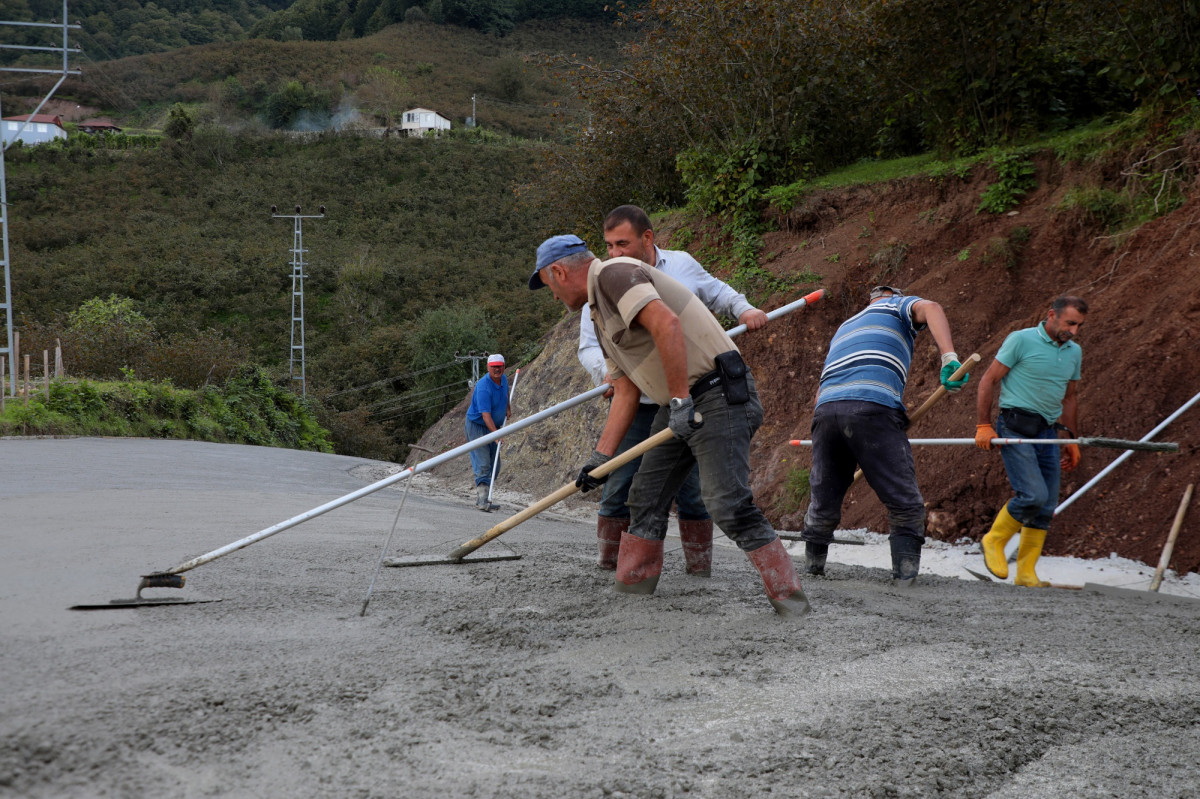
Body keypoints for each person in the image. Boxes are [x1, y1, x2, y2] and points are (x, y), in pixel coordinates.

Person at [530, 234, 809, 617]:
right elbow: (625, 390)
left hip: (716, 393)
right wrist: (601, 458)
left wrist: (680, 400)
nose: (554, 296)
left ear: (558, 272)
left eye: (549, 286)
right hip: (680, 399)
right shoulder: (599, 314)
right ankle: (633, 590)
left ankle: (791, 600)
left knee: (726, 501)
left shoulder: (614, 274)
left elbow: (666, 324)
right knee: (646, 495)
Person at [577, 206, 769, 576]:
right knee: (622, 484)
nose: (614, 253)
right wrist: (607, 373)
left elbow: (715, 293)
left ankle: (699, 572)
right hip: (637, 403)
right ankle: (611, 567)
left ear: (647, 239)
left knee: (694, 491)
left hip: (689, 397)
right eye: (609, 245)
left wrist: (744, 310)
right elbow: (590, 345)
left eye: (622, 244)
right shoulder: (602, 283)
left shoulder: (680, 266)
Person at [797, 286, 969, 587]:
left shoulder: (846, 326)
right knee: (904, 502)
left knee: (824, 497)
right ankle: (904, 578)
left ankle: (812, 569)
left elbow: (823, 385)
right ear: (892, 295)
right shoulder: (896, 306)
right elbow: (933, 308)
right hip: (871, 407)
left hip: (826, 412)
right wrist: (949, 358)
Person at [975, 296, 1086, 587]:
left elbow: (1069, 396)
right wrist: (984, 425)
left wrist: (1070, 439)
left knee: (1046, 505)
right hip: (1015, 426)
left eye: (1079, 326)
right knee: (1032, 495)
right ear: (1051, 315)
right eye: (1070, 323)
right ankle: (994, 540)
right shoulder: (1021, 340)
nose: (1074, 331)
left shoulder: (1074, 352)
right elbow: (988, 380)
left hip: (1048, 431)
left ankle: (1026, 573)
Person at [465, 353, 509, 512]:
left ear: (503, 366)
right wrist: (496, 435)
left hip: (493, 426)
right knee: (483, 463)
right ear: (488, 367)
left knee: (495, 465)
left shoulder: (503, 379)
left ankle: (485, 497)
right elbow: (485, 415)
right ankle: (482, 500)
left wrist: (508, 407)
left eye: (499, 366)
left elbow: (505, 394)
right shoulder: (483, 387)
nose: (497, 369)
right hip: (478, 426)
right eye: (493, 367)